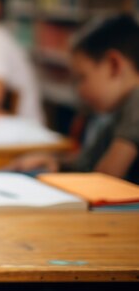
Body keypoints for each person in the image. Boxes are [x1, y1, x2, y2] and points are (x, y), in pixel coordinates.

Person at [8, 14, 139, 184]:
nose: (79, 91)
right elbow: (87, 163)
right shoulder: (115, 112)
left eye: (82, 78)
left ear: (114, 65)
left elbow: (106, 178)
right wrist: (54, 162)